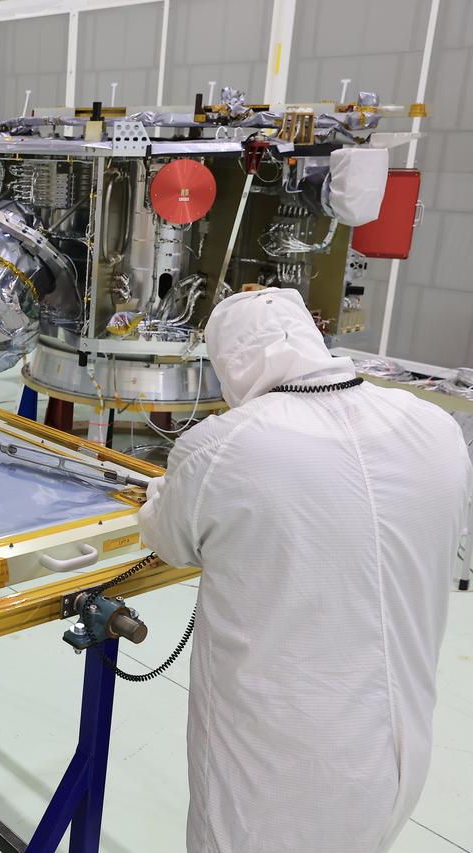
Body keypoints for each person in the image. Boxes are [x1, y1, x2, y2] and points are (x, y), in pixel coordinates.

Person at [139, 288, 471, 853]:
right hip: (401, 749)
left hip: (280, 766)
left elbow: (170, 539)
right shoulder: (435, 427)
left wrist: (159, 495)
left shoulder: (223, 446)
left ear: (232, 363)